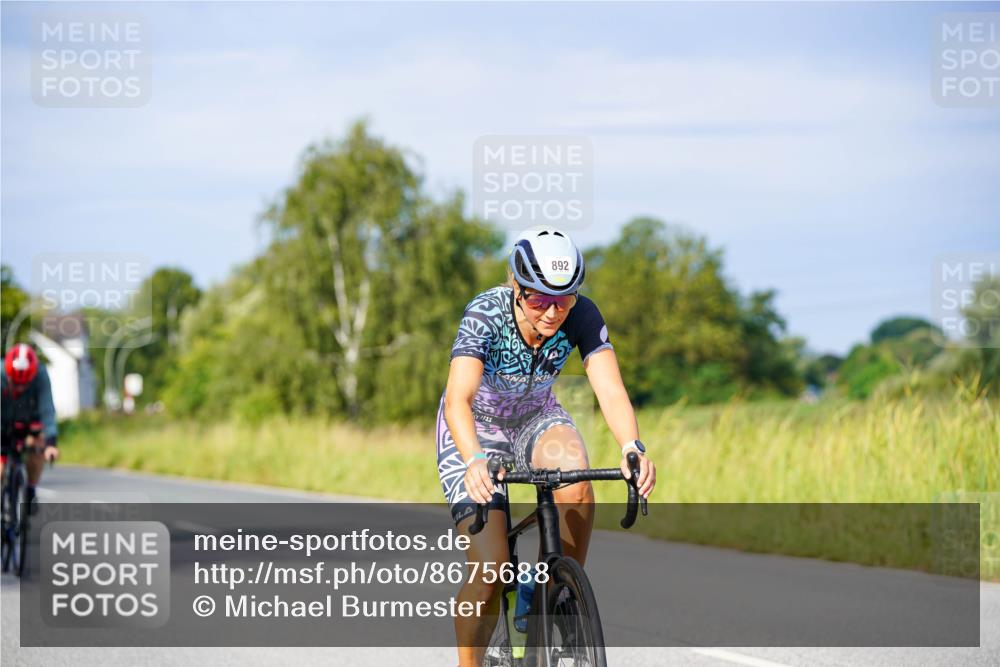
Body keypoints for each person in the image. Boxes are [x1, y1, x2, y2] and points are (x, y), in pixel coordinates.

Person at [436, 225, 656, 667]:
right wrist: (475, 459)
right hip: (476, 429)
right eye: (539, 299)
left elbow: (609, 389)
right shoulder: (486, 312)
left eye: (564, 299)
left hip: (537, 417)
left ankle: (557, 595)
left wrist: (632, 444)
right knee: (491, 568)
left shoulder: (581, 314)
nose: (553, 313)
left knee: (576, 481)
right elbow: (458, 397)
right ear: (516, 287)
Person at [1, 343, 60, 514]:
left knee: (38, 447)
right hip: (3, 422)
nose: (20, 388)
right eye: (15, 383)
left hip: (29, 422)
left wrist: (51, 443)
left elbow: (47, 409)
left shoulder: (41, 375)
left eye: (24, 384)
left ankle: (31, 489)